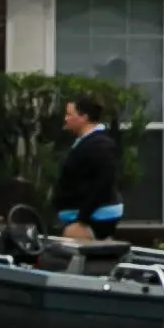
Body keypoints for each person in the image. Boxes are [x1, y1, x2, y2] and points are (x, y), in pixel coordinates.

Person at [49, 94, 123, 241]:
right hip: (82, 216)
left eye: (70, 114)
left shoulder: (100, 145)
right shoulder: (86, 141)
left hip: (93, 218)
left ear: (84, 117)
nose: (65, 119)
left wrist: (83, 219)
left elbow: (104, 183)